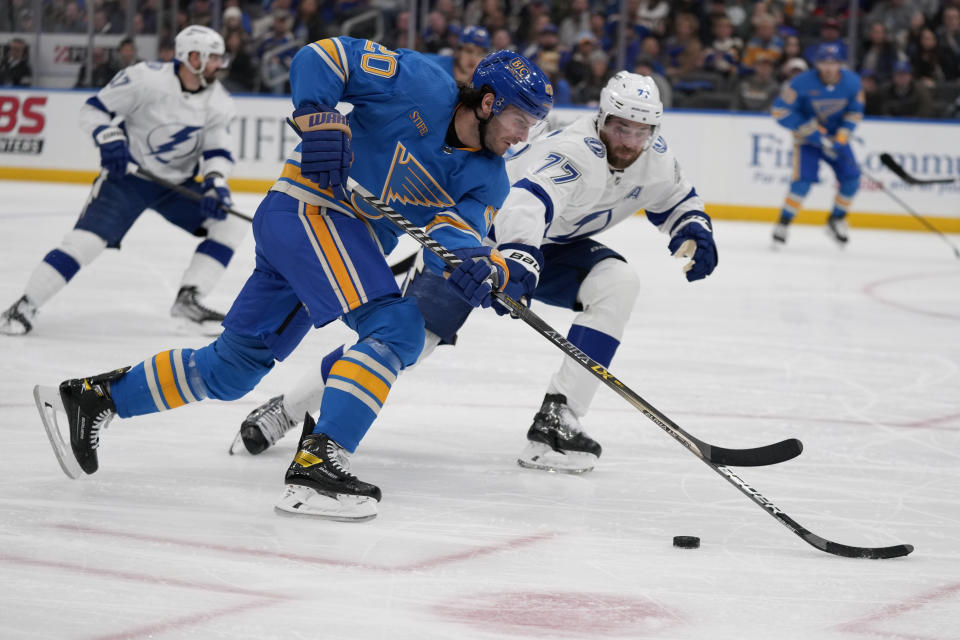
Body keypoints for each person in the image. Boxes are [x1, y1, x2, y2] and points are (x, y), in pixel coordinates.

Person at [34, 41, 553, 522]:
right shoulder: (420, 80)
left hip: (331, 235)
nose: (523, 135)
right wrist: (321, 117)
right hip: (306, 211)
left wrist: (487, 271)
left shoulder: (489, 179)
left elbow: (454, 239)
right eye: (519, 119)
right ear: (487, 103)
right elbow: (321, 57)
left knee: (231, 370)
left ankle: (94, 398)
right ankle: (319, 465)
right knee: (398, 331)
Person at [234, 71, 718, 476]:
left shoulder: (655, 158)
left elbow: (676, 196)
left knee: (617, 283)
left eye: (639, 131)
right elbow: (525, 205)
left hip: (553, 250)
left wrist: (693, 228)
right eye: (619, 128)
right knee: (408, 341)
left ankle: (558, 419)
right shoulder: (575, 152)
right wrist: (521, 259)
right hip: (477, 240)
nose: (628, 141)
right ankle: (287, 409)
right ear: (602, 118)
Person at [1, 26, 244, 336]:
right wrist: (110, 138)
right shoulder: (145, 78)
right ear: (191, 56)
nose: (217, 65)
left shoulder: (219, 101)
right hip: (128, 179)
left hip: (177, 185)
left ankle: (189, 299)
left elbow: (218, 148)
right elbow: (95, 111)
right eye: (212, 58)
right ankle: (24, 305)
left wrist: (216, 182)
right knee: (86, 242)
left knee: (229, 224)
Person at [770, 42, 864, 247]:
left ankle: (836, 219)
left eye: (834, 63)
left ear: (840, 64)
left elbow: (855, 112)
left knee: (852, 179)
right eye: (824, 62)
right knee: (802, 181)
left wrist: (842, 135)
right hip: (807, 141)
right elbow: (779, 111)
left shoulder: (853, 83)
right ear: (817, 64)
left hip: (837, 141)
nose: (829, 67)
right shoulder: (800, 83)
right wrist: (809, 130)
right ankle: (783, 223)